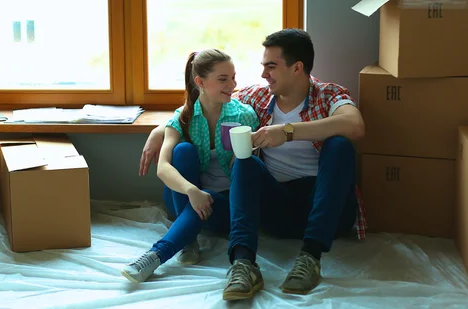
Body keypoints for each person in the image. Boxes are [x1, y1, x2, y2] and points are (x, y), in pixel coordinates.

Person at [138, 28, 367, 300]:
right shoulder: (257, 98)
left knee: (339, 145)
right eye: (263, 66)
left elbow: (355, 126)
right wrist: (160, 130)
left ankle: (310, 257)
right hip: (274, 206)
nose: (263, 75)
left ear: (297, 68)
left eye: (271, 66)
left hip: (323, 208)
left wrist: (287, 131)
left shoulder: (329, 95)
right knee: (243, 163)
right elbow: (207, 100)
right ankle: (244, 263)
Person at [122, 49, 259, 283]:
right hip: (186, 196)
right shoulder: (183, 118)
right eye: (223, 79)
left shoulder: (244, 116)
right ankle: (188, 240)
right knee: (183, 151)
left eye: (234, 77)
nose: (232, 85)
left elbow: (248, 173)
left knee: (229, 180)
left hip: (224, 205)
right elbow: (163, 167)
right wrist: (192, 191)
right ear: (200, 82)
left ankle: (155, 255)